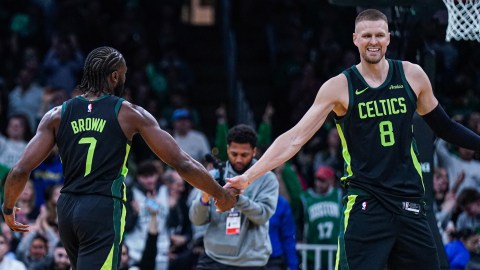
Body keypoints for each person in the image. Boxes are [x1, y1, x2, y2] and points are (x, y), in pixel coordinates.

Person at [226, 9, 480, 270]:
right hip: (366, 202)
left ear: (388, 38)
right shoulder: (339, 86)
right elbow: (295, 138)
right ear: (355, 39)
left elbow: (446, 126)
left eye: (379, 35)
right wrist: (248, 176)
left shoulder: (411, 75)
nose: (373, 41)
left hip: (410, 202)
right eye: (367, 35)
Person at [2, 46, 238, 270]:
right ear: (114, 76)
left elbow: (20, 169)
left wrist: (8, 206)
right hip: (102, 206)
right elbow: (181, 162)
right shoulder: (128, 112)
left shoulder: (57, 114)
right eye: (123, 74)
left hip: (67, 208)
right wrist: (220, 193)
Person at [190, 124, 279, 269]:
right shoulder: (214, 177)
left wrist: (236, 198)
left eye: (244, 155)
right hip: (213, 257)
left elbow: (262, 216)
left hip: (250, 261)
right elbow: (196, 220)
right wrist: (204, 199)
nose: (238, 159)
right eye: (234, 153)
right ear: (227, 150)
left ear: (254, 151)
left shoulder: (267, 178)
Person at [299, 165, 342, 270]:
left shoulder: (339, 195)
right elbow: (299, 222)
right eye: (317, 180)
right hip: (312, 253)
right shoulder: (305, 198)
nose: (318, 183)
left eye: (322, 180)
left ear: (331, 181)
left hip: (335, 253)